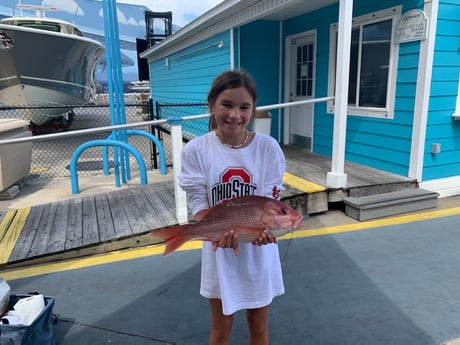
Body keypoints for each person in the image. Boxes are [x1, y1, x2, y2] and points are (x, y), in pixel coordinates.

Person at [178, 69, 286, 345]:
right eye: (227, 104)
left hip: (259, 256)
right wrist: (208, 228)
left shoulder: (269, 148)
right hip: (218, 252)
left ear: (253, 109)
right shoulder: (195, 150)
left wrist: (266, 231)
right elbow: (199, 202)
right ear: (212, 103)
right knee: (220, 329)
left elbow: (270, 201)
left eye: (244, 107)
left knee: (258, 325)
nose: (235, 115)